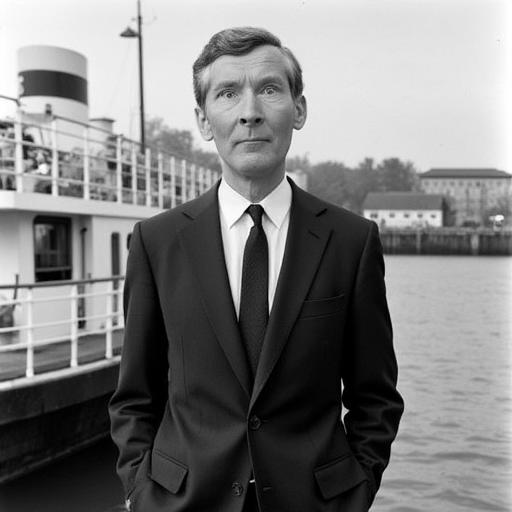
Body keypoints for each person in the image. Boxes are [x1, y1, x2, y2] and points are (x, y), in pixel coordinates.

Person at [109, 27, 404, 512]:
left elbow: (376, 397)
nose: (250, 111)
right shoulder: (157, 243)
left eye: (269, 89)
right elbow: (133, 397)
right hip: (181, 502)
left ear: (299, 109)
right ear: (204, 122)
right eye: (228, 94)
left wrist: (356, 488)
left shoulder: (351, 241)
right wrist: (141, 493)